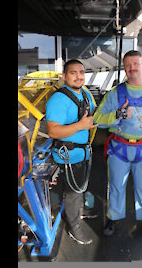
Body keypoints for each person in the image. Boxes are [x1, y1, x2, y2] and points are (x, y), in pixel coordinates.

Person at [93, 50, 142, 236]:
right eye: (127, 65)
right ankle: (113, 217)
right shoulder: (114, 94)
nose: (131, 68)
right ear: (124, 68)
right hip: (119, 149)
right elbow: (96, 118)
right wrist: (116, 115)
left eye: (135, 64)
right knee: (116, 186)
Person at [46, 59, 99, 245]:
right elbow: (53, 131)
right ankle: (74, 226)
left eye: (81, 72)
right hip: (67, 156)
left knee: (79, 188)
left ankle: (78, 212)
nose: (78, 76)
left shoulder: (85, 94)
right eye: (73, 73)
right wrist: (80, 125)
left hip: (82, 153)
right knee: (73, 193)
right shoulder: (58, 100)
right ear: (64, 76)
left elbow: (92, 115)